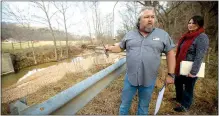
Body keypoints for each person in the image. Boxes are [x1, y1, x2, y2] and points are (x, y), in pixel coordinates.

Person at [105, 6, 176, 115]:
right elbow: (120, 47)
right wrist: (110, 48)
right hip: (130, 78)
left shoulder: (163, 35)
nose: (150, 19)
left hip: (149, 79)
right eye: (146, 17)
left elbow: (170, 53)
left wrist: (171, 74)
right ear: (139, 20)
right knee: (124, 105)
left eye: (152, 17)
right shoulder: (130, 34)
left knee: (143, 107)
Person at [174, 15, 209, 112]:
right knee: (178, 82)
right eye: (189, 22)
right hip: (181, 66)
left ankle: (185, 105)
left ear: (199, 25)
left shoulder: (202, 37)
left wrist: (193, 72)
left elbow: (199, 56)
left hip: (191, 67)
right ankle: (179, 99)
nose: (190, 25)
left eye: (194, 23)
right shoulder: (186, 36)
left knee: (188, 87)